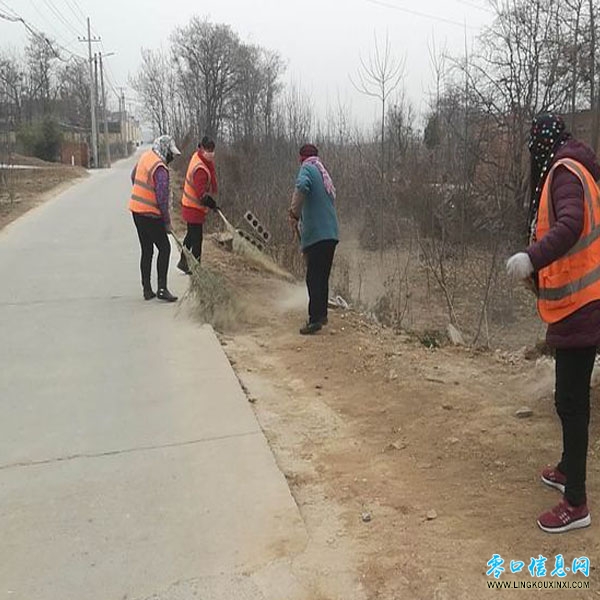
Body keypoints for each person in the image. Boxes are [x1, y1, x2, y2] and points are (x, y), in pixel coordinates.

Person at [506, 113, 600, 533]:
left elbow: (571, 224)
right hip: (581, 302)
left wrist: (532, 257)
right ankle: (566, 468)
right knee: (568, 398)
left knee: (572, 402)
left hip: (583, 303)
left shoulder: (563, 172)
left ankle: (576, 502)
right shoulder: (576, 167)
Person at [289, 143, 339, 335]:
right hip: (331, 234)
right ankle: (322, 314)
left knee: (313, 277)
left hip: (317, 236)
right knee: (322, 276)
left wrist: (294, 213)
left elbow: (302, 186)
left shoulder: (307, 169)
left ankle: (314, 320)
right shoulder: (322, 172)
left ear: (301, 158)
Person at [129, 134, 180, 302]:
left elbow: (133, 176)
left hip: (136, 211)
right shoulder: (160, 168)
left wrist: (141, 192)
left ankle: (147, 289)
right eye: (171, 153)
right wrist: (166, 222)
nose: (172, 157)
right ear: (165, 150)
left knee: (147, 250)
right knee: (164, 248)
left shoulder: (146, 157)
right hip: (150, 214)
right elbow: (162, 198)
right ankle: (162, 289)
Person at [177, 136, 219, 274]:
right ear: (202, 148)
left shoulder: (198, 157)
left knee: (190, 235)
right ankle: (196, 268)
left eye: (212, 150)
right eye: (209, 150)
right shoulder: (200, 169)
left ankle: (183, 261)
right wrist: (212, 204)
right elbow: (201, 195)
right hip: (193, 207)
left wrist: (211, 203)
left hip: (189, 205)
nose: (211, 153)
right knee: (197, 239)